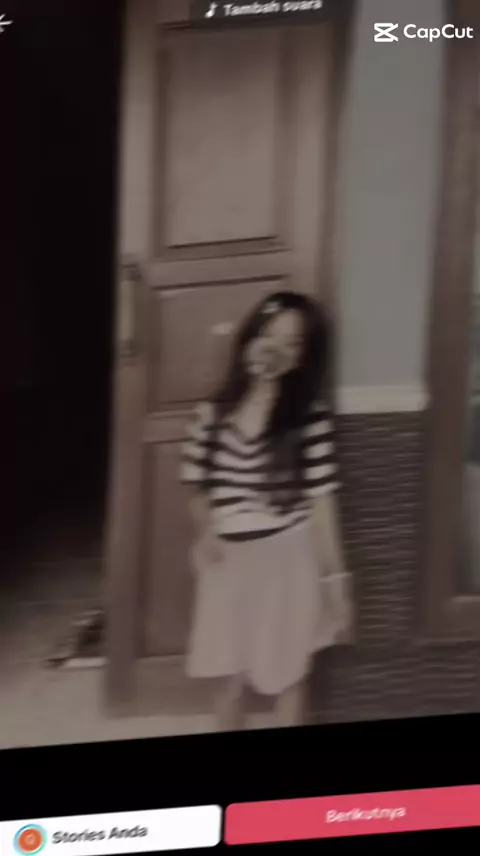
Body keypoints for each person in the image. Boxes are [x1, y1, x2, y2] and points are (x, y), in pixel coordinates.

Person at [180, 291, 351, 731]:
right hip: (229, 564)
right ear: (250, 340)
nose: (276, 349)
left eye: (292, 343)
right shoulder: (211, 415)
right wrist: (206, 531)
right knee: (229, 679)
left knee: (291, 675)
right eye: (269, 335)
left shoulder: (309, 418)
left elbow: (322, 503)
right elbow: (196, 486)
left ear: (302, 358)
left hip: (289, 560)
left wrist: (336, 582)